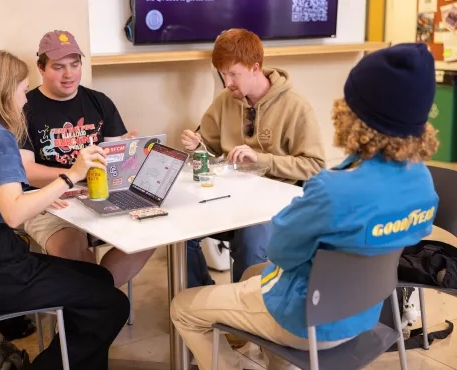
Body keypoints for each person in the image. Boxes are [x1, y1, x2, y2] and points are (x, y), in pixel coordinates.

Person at [170, 42, 440, 370]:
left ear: (358, 116)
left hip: (305, 320)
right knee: (254, 272)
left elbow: (282, 251)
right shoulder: (423, 184)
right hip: (363, 315)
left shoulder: (335, 189)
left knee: (182, 307)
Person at [0, 50, 129, 369]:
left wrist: (40, 194)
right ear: (4, 91)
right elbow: (13, 213)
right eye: (23, 90)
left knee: (97, 278)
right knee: (111, 305)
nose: (25, 100)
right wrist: (71, 175)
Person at [181, 29, 326, 290]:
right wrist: (196, 144)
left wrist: (262, 160)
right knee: (180, 232)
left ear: (255, 67)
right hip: (231, 194)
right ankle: (201, 295)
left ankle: (242, 317)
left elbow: (315, 166)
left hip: (276, 202)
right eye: (223, 74)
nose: (227, 83)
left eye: (233, 74)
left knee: (250, 239)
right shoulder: (226, 101)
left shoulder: (296, 107)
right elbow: (209, 147)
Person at [20, 30, 153, 287]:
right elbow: (25, 171)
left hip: (100, 192)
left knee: (150, 233)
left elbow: (114, 165)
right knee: (71, 245)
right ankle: (96, 300)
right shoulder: (26, 107)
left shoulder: (99, 102)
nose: (69, 74)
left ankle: (96, 297)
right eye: (58, 67)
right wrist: (75, 173)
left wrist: (126, 152)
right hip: (49, 200)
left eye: (75, 65)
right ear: (41, 68)